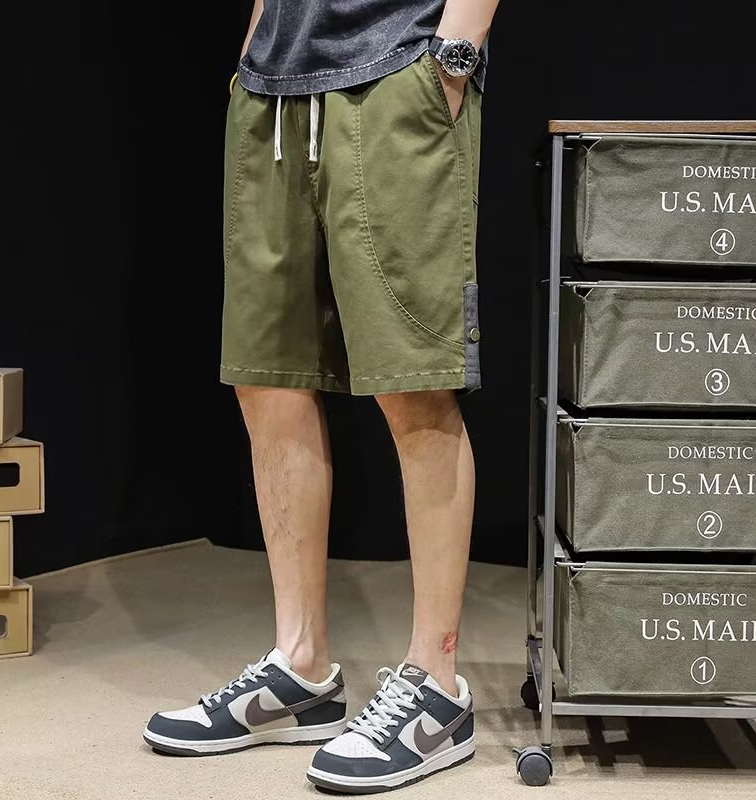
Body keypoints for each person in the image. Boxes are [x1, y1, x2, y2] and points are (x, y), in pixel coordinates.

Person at [144, 0, 500, 792]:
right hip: (272, 89)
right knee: (267, 380)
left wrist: (453, 55)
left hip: (397, 73)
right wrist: (251, 56)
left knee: (414, 383)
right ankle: (300, 669)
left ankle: (436, 686)